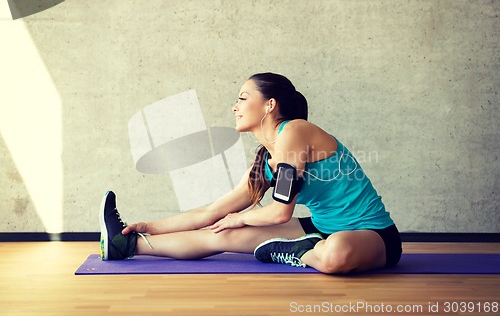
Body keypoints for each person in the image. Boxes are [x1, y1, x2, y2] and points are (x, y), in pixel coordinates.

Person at [99, 72, 402, 274]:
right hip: (318, 229)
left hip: (373, 235)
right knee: (219, 234)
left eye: (243, 98)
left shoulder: (295, 131)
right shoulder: (264, 164)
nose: (235, 106)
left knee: (337, 254)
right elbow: (211, 213)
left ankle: (298, 251)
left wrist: (241, 218)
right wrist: (147, 226)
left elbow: (281, 212)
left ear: (270, 105)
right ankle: (125, 245)